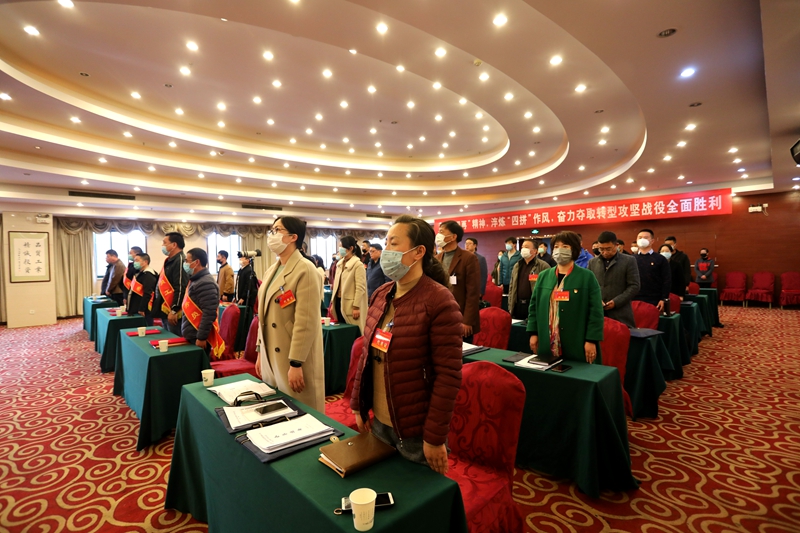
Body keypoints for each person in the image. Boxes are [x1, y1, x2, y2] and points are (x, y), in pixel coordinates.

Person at [350, 214, 462, 475]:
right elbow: (366, 355)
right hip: (379, 422)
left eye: (394, 243)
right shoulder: (382, 294)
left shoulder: (439, 301)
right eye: (386, 243)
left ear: (418, 252)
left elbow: (448, 376)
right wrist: (358, 403)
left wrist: (434, 437)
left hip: (415, 431)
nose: (386, 250)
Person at [255, 216, 325, 411]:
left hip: (292, 354)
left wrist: (296, 363)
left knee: (300, 411)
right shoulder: (272, 269)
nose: (272, 235)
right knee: (277, 410)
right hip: (270, 351)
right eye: (272, 230)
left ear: (294, 237)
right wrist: (260, 351)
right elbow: (263, 316)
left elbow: (306, 321)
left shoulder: (306, 270)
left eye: (278, 230)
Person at [527, 231, 604, 364]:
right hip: (547, 339)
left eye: (565, 246)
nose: (559, 250)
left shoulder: (587, 277)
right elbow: (533, 307)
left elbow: (596, 312)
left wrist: (591, 340)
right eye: (556, 247)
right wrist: (533, 333)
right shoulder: (544, 276)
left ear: (574, 250)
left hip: (577, 341)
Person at [435, 221, 481, 341]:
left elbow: (473, 292)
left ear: (453, 236)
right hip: (440, 315)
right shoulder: (437, 258)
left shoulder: (468, 258)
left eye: (441, 232)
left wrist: (467, 321)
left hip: (460, 315)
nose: (438, 235)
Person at [587, 231, 640, 328]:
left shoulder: (629, 260)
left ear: (617, 245)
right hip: (598, 312)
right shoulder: (592, 262)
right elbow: (588, 285)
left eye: (608, 249)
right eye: (601, 249)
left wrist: (616, 302)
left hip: (620, 312)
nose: (605, 252)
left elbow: (634, 286)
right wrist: (597, 300)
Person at [181, 248, 224, 358]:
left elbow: (209, 313)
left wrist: (201, 337)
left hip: (197, 335)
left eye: (187, 261)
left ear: (197, 262)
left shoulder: (205, 283)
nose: (185, 264)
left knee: (200, 365)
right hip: (192, 332)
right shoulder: (196, 280)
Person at [152, 232, 188, 335]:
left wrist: (174, 310)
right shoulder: (170, 260)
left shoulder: (180, 261)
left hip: (173, 311)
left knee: (174, 339)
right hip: (165, 308)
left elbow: (180, 287)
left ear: (174, 245)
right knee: (168, 337)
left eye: (165, 243)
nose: (162, 245)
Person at [331, 236, 368, 333]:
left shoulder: (357, 265)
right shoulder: (340, 264)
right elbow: (337, 285)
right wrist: (333, 303)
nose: (340, 249)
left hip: (351, 305)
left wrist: (356, 306)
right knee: (340, 331)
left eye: (342, 246)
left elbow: (360, 287)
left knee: (351, 331)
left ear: (351, 248)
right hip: (338, 301)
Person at [508, 239, 550, 320]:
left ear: (535, 251)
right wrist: (510, 305)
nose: (523, 249)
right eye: (522, 247)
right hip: (518, 305)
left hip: (533, 305)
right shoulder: (517, 265)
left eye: (526, 247)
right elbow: (512, 286)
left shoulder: (543, 266)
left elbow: (547, 289)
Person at [632, 229, 671, 311]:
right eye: (640, 237)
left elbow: (666, 280)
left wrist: (664, 298)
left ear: (652, 241)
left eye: (645, 238)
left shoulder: (660, 259)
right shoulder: (630, 259)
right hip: (633, 299)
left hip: (654, 300)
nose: (642, 240)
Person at [126, 252, 157, 326]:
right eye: (134, 260)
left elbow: (147, 293)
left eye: (137, 260)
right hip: (136, 307)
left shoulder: (149, 275)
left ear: (145, 262)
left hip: (143, 309)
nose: (134, 262)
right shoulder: (140, 273)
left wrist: (142, 309)